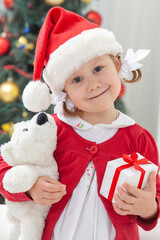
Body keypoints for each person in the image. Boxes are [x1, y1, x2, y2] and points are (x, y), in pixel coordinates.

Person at [0, 6, 160, 240]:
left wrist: (148, 208)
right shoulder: (50, 129)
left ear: (116, 65)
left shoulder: (138, 138)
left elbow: (154, 196)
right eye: (77, 79)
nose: (93, 85)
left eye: (98, 68)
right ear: (64, 91)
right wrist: (30, 188)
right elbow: (5, 166)